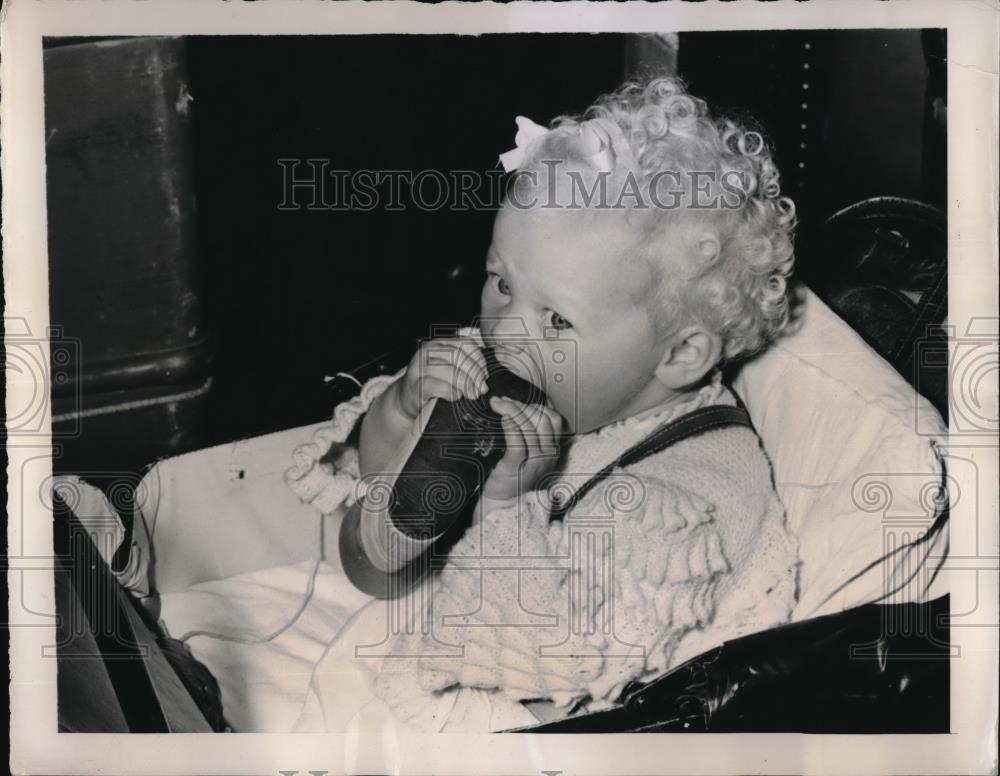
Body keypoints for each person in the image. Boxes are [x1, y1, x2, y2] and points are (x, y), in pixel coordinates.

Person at [286, 74, 801, 733]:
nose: (505, 329)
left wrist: (506, 507)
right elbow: (378, 539)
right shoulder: (567, 384)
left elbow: (548, 660)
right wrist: (405, 412)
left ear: (678, 355)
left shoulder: (691, 498)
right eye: (501, 281)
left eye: (556, 320)